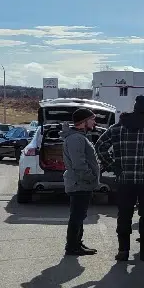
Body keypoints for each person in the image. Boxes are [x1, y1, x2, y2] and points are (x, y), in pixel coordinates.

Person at [95, 95, 144, 262]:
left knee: (124, 215)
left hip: (124, 180)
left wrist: (111, 165)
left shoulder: (117, 128)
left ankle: (123, 251)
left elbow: (99, 146)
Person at [62, 108, 101, 256]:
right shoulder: (76, 139)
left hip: (82, 183)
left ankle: (77, 243)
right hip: (79, 183)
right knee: (77, 216)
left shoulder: (79, 137)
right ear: (83, 122)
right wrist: (91, 177)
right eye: (92, 119)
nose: (94, 122)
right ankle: (72, 246)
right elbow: (79, 164)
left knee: (80, 215)